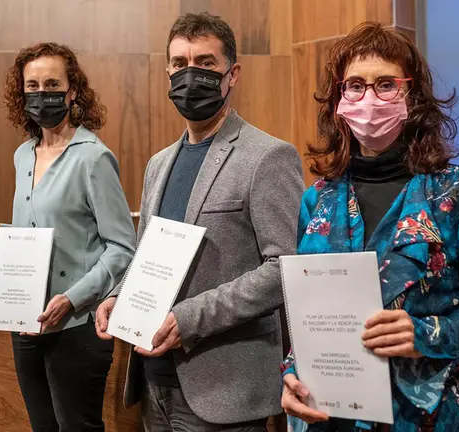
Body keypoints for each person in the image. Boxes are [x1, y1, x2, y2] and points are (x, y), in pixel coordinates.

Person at [279, 23, 459, 432]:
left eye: (386, 84)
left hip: (420, 418)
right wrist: (291, 370)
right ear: (339, 98)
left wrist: (427, 333)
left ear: (413, 95)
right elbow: (308, 317)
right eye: (354, 85)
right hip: (325, 415)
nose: (368, 98)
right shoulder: (317, 199)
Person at [94, 12, 305, 432]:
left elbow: (285, 269)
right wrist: (119, 295)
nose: (191, 74)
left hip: (224, 389)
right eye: (180, 63)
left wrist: (190, 318)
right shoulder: (158, 163)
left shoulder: (268, 157)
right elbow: (144, 255)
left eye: (205, 63)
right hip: (154, 381)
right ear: (168, 72)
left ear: (233, 74)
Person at [0, 42, 136, 432]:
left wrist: (73, 298)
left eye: (51, 84)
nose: (41, 94)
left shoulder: (93, 158)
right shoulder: (22, 155)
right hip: (27, 323)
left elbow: (122, 247)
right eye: (32, 86)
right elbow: (44, 231)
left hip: (76, 326)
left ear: (73, 90)